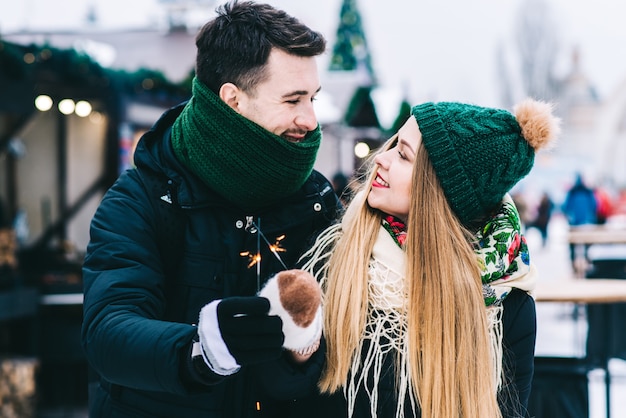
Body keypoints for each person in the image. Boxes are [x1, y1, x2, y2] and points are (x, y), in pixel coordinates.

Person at [81, 2, 340, 417]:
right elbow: (107, 332)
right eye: (293, 100)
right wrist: (202, 349)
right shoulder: (142, 198)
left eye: (312, 98)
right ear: (232, 99)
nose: (310, 120)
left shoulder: (315, 201)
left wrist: (303, 351)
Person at [298, 99, 560, 417]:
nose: (381, 158)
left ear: (438, 189)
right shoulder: (337, 256)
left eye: (403, 155)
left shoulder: (507, 304)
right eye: (394, 145)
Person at [562, 173, 598, 264]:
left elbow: (565, 207)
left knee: (573, 244)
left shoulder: (572, 192)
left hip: (574, 223)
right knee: (587, 242)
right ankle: (586, 260)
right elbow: (595, 206)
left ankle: (573, 261)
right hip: (586, 222)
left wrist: (569, 216)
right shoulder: (588, 192)